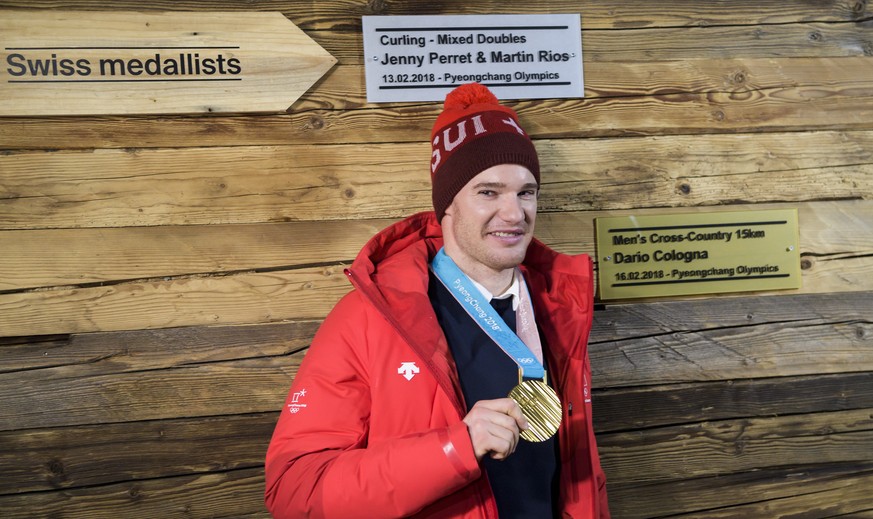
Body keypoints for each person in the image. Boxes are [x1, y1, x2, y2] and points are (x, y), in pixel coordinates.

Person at [265, 83, 609, 518]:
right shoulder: (370, 319)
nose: (514, 212)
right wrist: (454, 448)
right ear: (448, 204)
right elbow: (293, 489)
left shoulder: (558, 306)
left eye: (526, 192)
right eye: (488, 192)